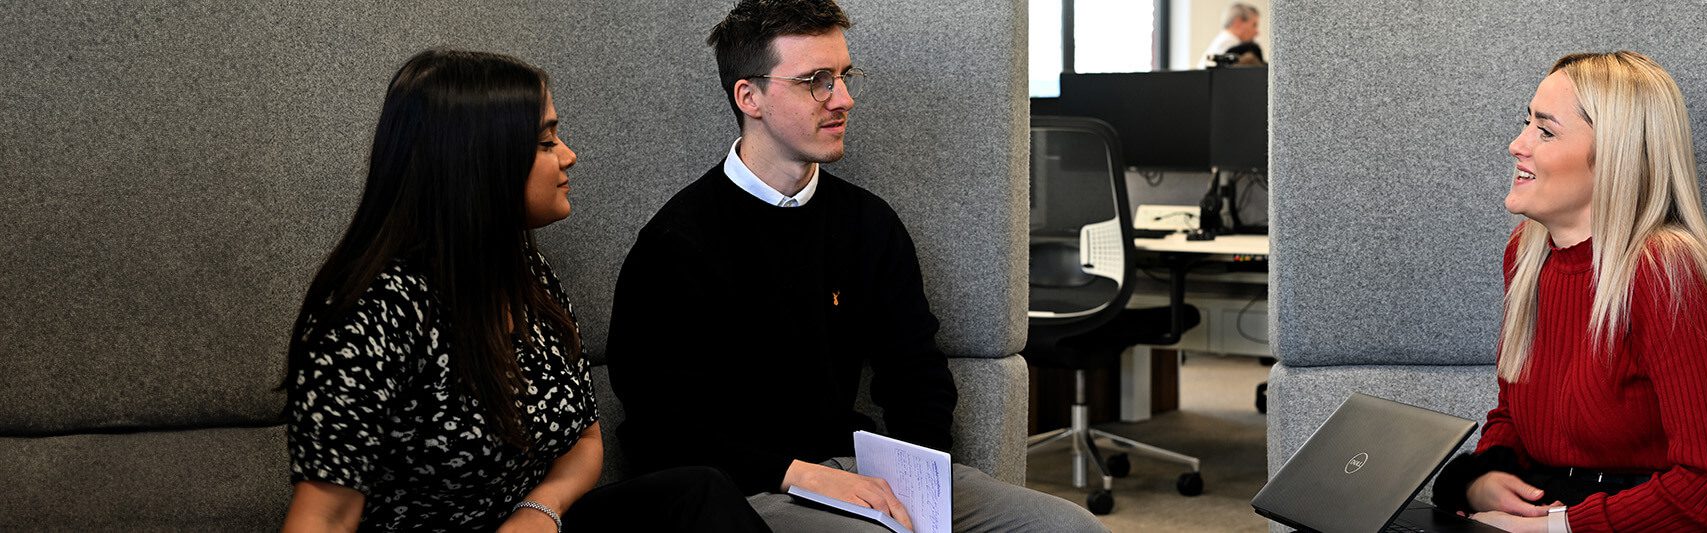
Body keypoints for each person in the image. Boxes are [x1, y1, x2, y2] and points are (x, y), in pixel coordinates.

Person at [602, 1, 1107, 531]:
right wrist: (800, 474)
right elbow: (662, 422)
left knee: (1077, 528)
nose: (843, 99)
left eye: (844, 76)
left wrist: (922, 486)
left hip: (869, 473)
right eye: (817, 81)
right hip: (749, 490)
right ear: (749, 97)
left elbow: (916, 372)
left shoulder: (867, 222)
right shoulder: (676, 243)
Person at [279, 49, 768, 532]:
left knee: (698, 492)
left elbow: (585, 441)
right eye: (545, 141)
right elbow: (325, 517)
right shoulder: (369, 313)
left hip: (537, 524)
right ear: (477, 162)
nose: (569, 156)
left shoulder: (526, 272)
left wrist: (538, 510)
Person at [1431, 51, 1707, 532]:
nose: (1516, 145)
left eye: (1545, 130)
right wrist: (1485, 479)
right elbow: (1514, 414)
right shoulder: (1527, 255)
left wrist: (1553, 529)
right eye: (1526, 123)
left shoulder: (1666, 271)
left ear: (1614, 154)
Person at [1202, 3, 1262, 67]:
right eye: (1254, 25)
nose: (1257, 32)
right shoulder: (1230, 45)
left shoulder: (1221, 42)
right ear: (1238, 23)